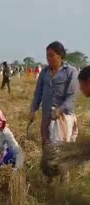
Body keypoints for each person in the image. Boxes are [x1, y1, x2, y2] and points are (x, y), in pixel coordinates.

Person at [30, 41, 79, 182]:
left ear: (61, 55)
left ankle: (64, 178)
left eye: (52, 55)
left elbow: (72, 96)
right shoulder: (44, 72)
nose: (49, 59)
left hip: (63, 118)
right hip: (47, 116)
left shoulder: (71, 72)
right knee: (47, 146)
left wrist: (60, 109)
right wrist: (33, 109)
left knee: (62, 148)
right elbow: (38, 93)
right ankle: (49, 178)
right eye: (47, 56)